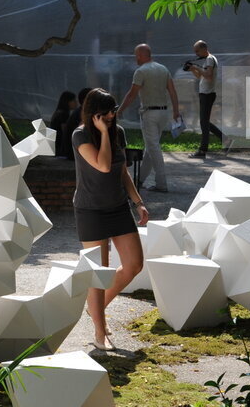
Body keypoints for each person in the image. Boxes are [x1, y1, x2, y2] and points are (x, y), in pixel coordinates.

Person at [73, 88, 150, 351]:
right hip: (91, 210)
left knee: (134, 265)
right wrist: (104, 133)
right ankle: (99, 330)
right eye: (104, 113)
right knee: (99, 274)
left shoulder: (119, 132)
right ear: (92, 113)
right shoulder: (80, 135)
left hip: (118, 208)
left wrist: (138, 202)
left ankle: (96, 307)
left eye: (112, 111)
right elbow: (103, 165)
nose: (110, 116)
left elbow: (120, 171)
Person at [118, 44, 181, 192]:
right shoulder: (163, 69)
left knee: (154, 148)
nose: (135, 58)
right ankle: (139, 180)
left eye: (136, 55)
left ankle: (162, 184)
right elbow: (172, 92)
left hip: (149, 114)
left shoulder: (141, 71)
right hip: (163, 113)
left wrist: (120, 110)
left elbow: (132, 94)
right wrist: (176, 111)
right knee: (150, 148)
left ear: (140, 55)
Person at [186, 39, 224, 159]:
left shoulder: (209, 59)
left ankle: (202, 150)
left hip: (207, 94)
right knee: (205, 121)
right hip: (205, 93)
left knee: (204, 122)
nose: (196, 53)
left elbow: (208, 75)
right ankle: (226, 140)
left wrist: (196, 67)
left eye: (197, 51)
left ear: (204, 49)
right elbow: (201, 76)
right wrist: (193, 69)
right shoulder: (208, 60)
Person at [61, 88, 92, 161]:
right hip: (73, 153)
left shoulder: (80, 111)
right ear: (86, 100)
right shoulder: (83, 113)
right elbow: (82, 133)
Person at [50, 91, 78, 158]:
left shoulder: (59, 112)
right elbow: (65, 132)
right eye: (74, 101)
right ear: (68, 102)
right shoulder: (63, 114)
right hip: (59, 148)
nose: (76, 103)